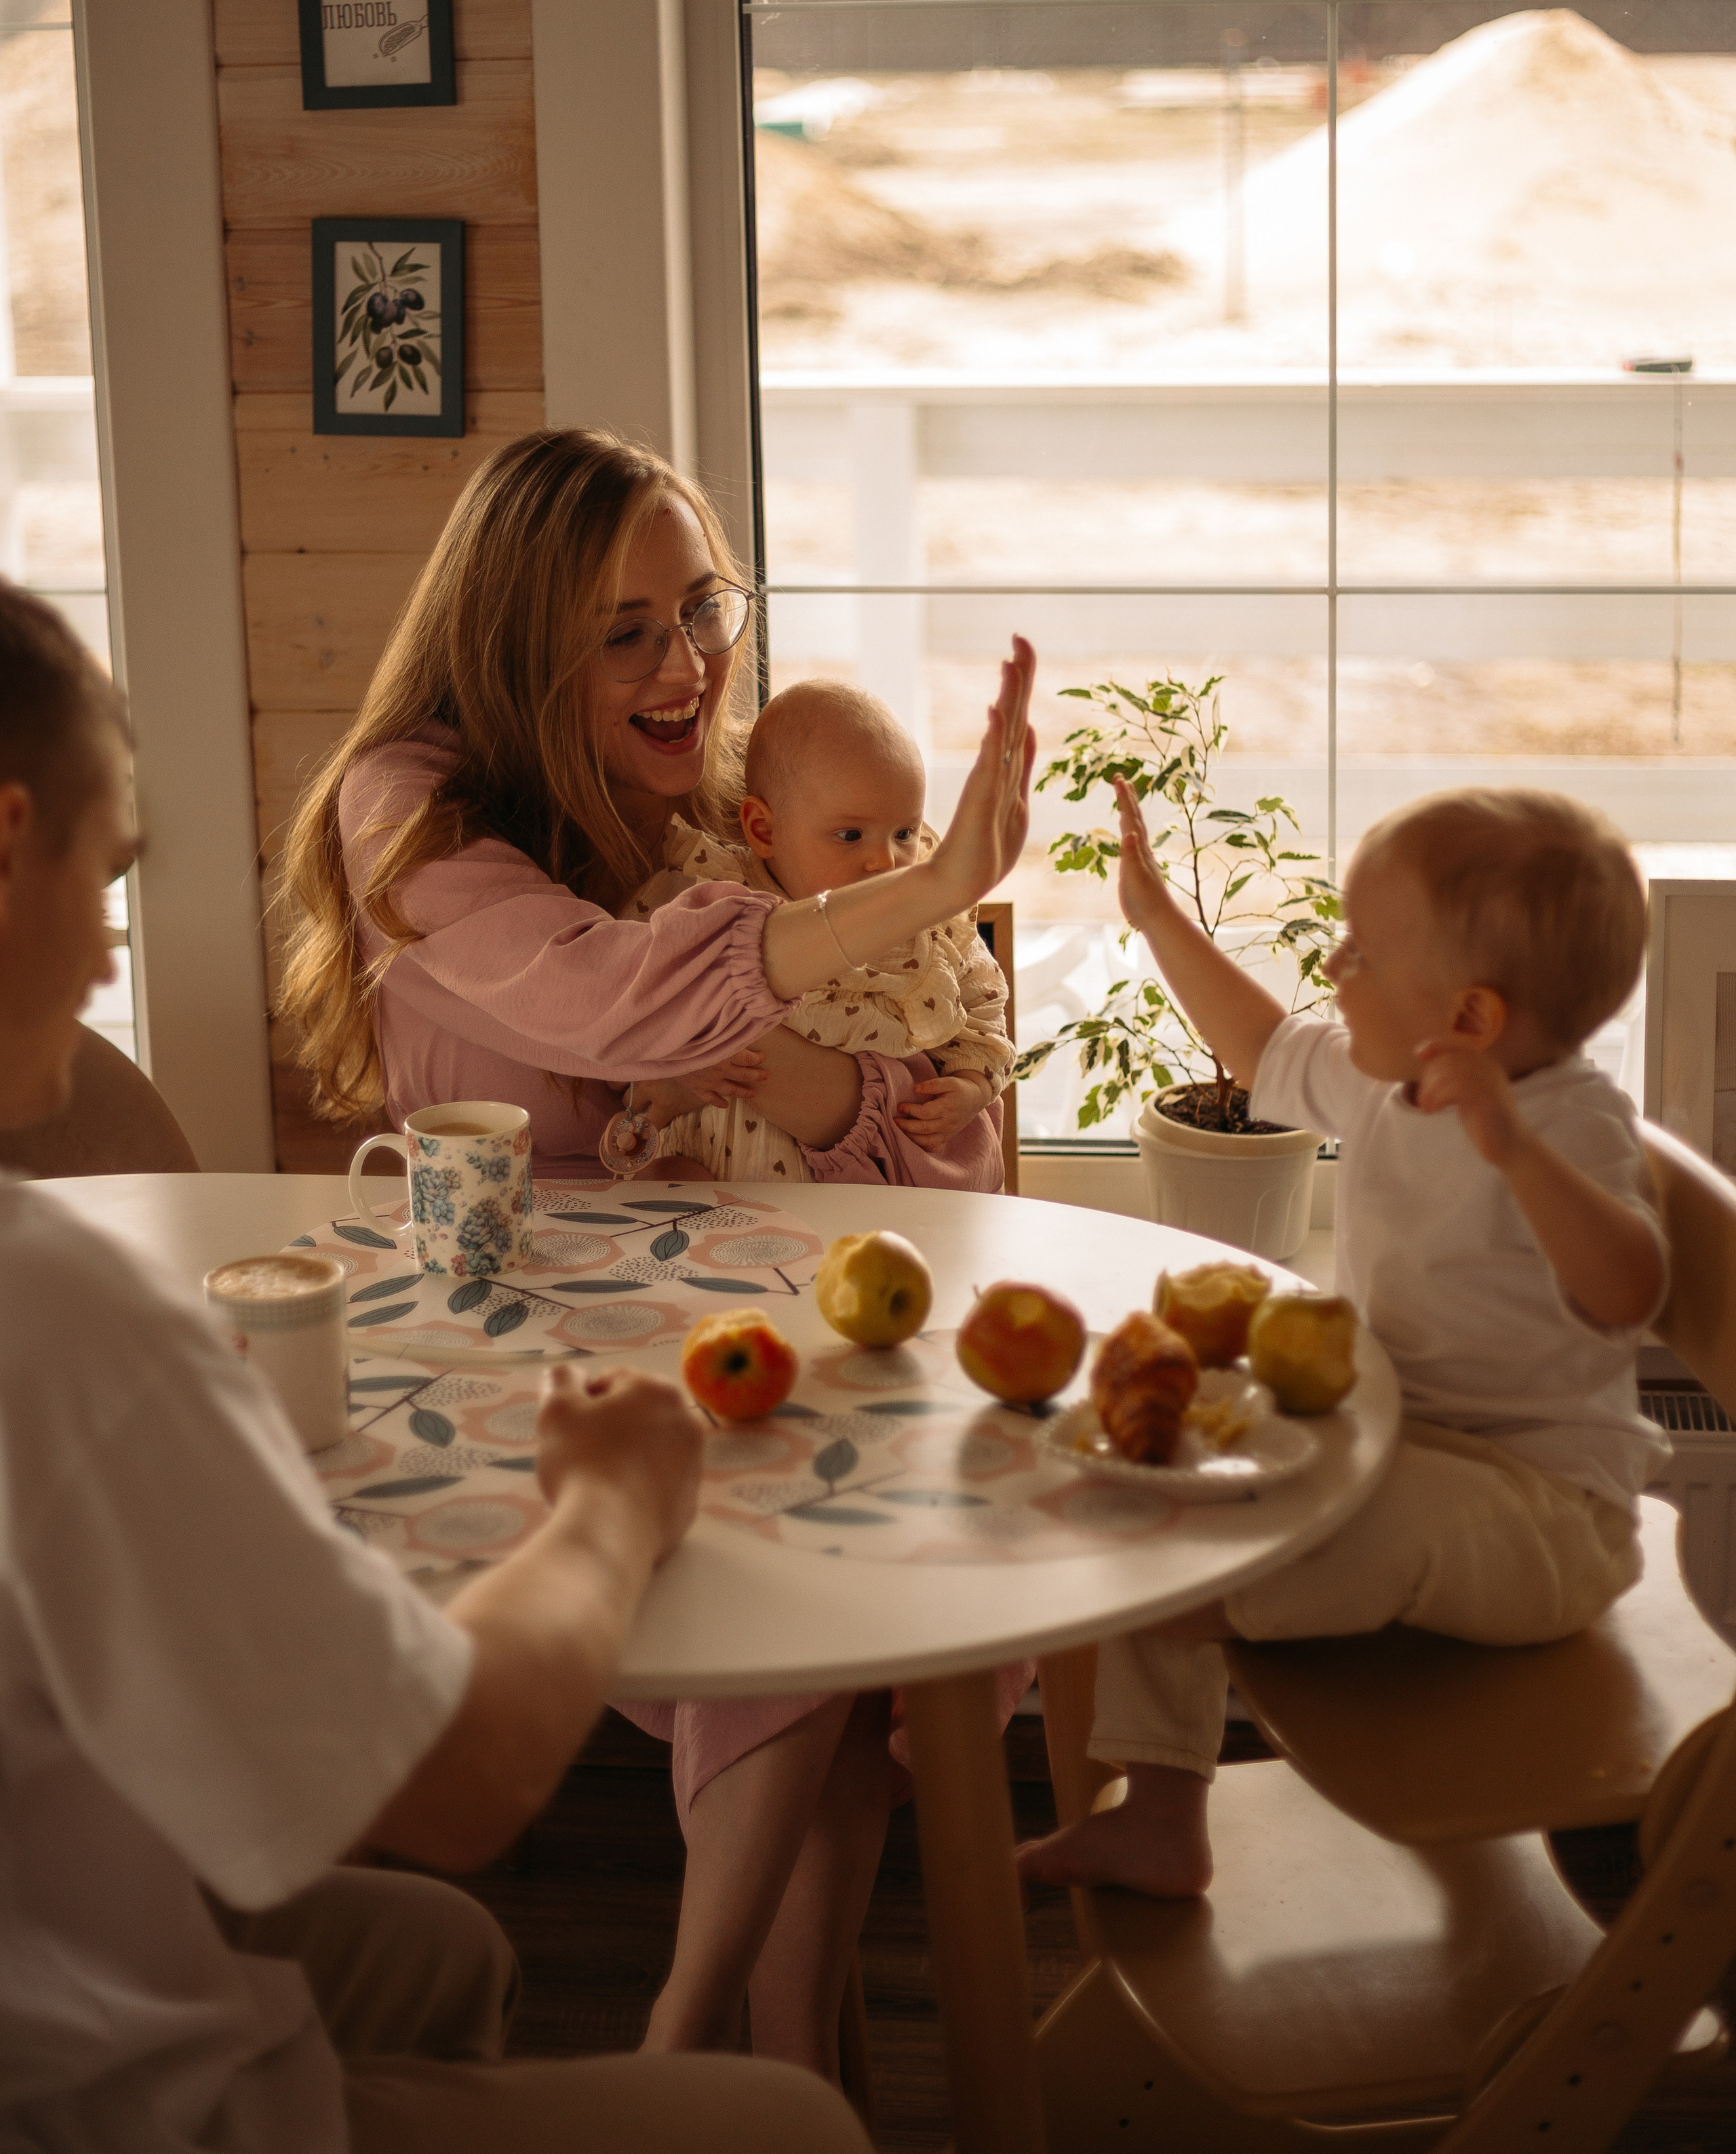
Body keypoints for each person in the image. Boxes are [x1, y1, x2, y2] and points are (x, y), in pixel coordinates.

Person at [0, 581, 873, 2151]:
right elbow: (458, 1781)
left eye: (697, 612)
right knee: (787, 2129)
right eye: (111, 866)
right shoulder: (63, 1317)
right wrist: (604, 1509)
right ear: (7, 843)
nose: (115, 931)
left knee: (435, 1950)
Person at [277, 429, 1038, 2074]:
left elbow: (958, 1141)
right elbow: (618, 999)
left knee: (827, 1562)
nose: (685, 664)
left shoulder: (736, 792)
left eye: (701, 607)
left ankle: (758, 2046)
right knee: (792, 1566)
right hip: (494, 1351)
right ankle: (710, 2038)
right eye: (623, 629)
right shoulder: (407, 801)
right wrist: (925, 898)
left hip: (714, 1314)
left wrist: (841, 1072)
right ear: (511, 638)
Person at [1019, 781, 1668, 1901]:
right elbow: (1261, 1043)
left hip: (1546, 1515)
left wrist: (1513, 1149)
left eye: (1360, 954)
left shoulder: (1571, 1126)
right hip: (1392, 1450)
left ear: (1469, 1019)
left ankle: (1216, 1596)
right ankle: (1165, 1813)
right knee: (1156, 1478)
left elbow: (1631, 1292)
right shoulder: (1386, 1081)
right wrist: (1157, 916)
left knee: (1239, 1554)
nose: (1332, 969)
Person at [620, 678, 1014, 1179]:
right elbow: (624, 992)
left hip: (850, 1186)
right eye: (850, 836)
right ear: (764, 830)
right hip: (707, 1174)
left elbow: (986, 1009)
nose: (884, 861)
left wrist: (972, 1087)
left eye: (904, 833)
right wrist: (675, 1062)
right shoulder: (708, 891)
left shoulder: (925, 925)